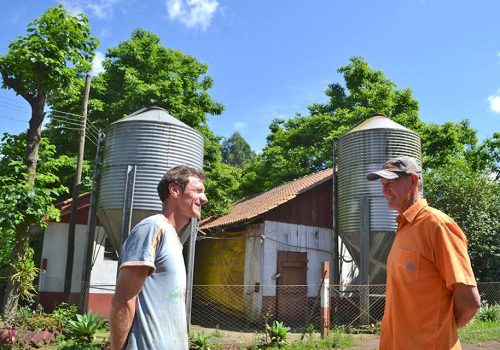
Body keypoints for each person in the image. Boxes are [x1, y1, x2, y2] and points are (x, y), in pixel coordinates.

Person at [366, 156, 481, 350]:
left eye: (390, 183)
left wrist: (439, 332)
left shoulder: (437, 225)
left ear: (413, 181)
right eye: (382, 184)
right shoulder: (404, 228)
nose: (384, 190)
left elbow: (469, 301)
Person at [110, 165, 208, 350]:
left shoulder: (174, 238)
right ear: (174, 190)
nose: (204, 199)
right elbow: (123, 299)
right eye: (198, 191)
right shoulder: (152, 228)